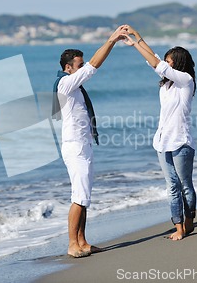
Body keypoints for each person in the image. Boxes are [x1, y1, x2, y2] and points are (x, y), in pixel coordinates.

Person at [52, 25, 128, 257]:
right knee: (79, 196)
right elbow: (95, 64)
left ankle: (83, 242)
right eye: (79, 65)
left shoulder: (74, 86)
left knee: (84, 195)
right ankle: (72, 245)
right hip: (74, 146)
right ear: (68, 67)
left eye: (82, 64)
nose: (83, 67)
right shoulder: (65, 83)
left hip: (83, 144)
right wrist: (112, 40)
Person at [123, 26, 197, 240]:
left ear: (179, 62)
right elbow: (154, 59)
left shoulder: (186, 81)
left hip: (181, 142)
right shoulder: (166, 86)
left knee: (185, 186)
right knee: (171, 186)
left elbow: (157, 63)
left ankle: (190, 218)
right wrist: (137, 36)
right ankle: (179, 228)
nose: (166, 63)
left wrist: (136, 43)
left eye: (170, 60)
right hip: (162, 142)